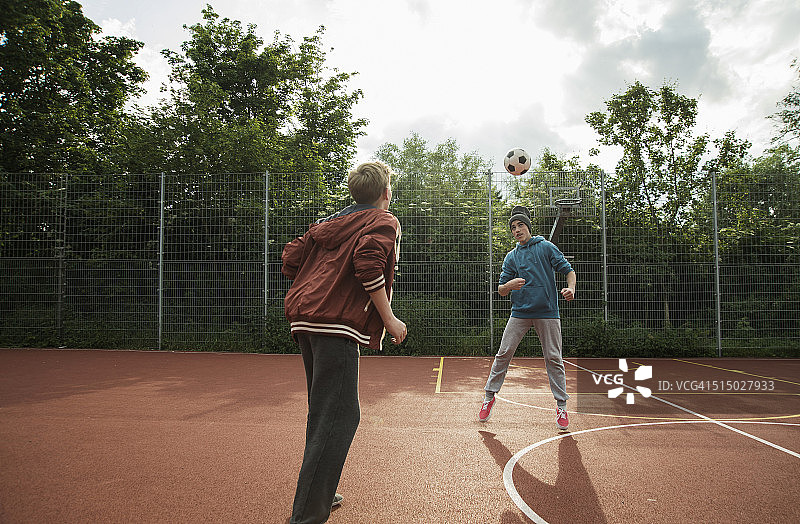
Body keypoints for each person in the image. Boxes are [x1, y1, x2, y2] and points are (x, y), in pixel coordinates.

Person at [282, 161, 407, 524]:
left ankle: (320, 492)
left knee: (324, 411)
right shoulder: (383, 220)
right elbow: (368, 265)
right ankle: (307, 515)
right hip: (335, 322)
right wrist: (389, 319)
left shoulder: (327, 223)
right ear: (385, 193)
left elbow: (291, 257)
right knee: (340, 415)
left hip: (306, 317)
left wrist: (317, 280)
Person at [479, 205, 576, 430]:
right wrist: (509, 285)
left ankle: (561, 406)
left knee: (554, 358)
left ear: (528, 227)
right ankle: (489, 397)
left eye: (520, 225)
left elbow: (568, 271)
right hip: (520, 312)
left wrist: (571, 288)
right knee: (503, 353)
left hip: (547, 312)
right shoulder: (512, 257)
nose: (517, 230)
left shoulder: (546, 247)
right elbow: (501, 290)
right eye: (513, 227)